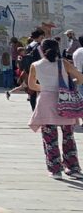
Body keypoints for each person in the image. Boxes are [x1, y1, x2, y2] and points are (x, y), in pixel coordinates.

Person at [27, 38, 83, 179]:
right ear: (58, 49)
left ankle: (55, 170)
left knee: (49, 138)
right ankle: (72, 168)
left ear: (42, 50)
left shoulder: (35, 65)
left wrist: (45, 88)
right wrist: (69, 84)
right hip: (65, 102)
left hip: (46, 102)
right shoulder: (64, 63)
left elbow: (32, 86)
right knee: (68, 137)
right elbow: (80, 78)